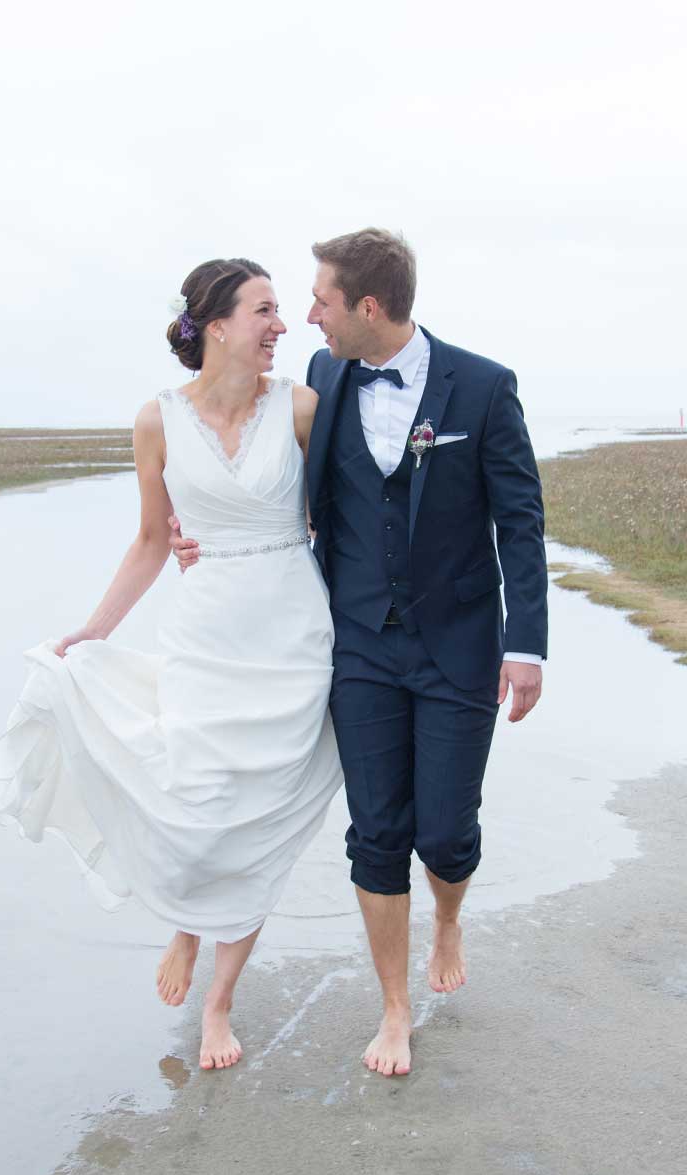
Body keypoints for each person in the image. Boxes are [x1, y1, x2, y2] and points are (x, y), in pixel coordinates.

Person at [171, 229, 548, 1077]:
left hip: (459, 644)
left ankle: (447, 915)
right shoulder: (325, 381)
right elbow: (266, 481)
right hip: (358, 649)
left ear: (368, 307)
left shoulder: (484, 389)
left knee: (445, 835)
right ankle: (394, 1008)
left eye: (323, 301)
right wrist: (194, 535)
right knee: (376, 834)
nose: (309, 316)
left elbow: (520, 522)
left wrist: (526, 645)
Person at [0, 258, 343, 1071]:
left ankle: (218, 1004)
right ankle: (186, 922)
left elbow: (342, 521)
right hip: (206, 636)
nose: (280, 326)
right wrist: (92, 630)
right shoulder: (156, 421)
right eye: (264, 310)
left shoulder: (302, 407)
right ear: (217, 323)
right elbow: (152, 540)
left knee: (258, 819)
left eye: (283, 311)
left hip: (292, 638)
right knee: (197, 803)